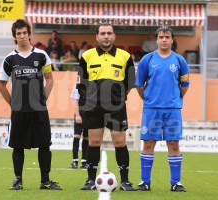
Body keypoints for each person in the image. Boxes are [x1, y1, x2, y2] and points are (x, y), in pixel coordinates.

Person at [0, 19, 62, 191]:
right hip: (19, 110)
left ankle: (45, 181)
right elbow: (1, 85)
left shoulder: (42, 55)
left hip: (39, 109)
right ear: (14, 37)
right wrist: (12, 103)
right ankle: (18, 180)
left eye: (24, 32)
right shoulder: (9, 59)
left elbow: (49, 79)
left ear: (29, 34)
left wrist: (44, 98)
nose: (22, 36)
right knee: (18, 146)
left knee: (44, 144)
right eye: (18, 33)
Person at [77, 22, 136, 191]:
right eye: (102, 33)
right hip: (93, 107)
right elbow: (81, 82)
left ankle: (125, 181)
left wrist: (118, 97)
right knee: (94, 142)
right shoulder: (87, 56)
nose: (106, 36)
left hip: (116, 107)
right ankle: (90, 180)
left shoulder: (125, 56)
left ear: (114, 36)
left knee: (120, 141)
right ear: (96, 36)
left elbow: (130, 82)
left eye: (109, 33)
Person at [135, 26, 189, 192]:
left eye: (167, 37)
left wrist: (175, 98)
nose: (164, 39)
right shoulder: (147, 59)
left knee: (173, 144)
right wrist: (149, 99)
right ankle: (145, 182)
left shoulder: (180, 60)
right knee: (149, 143)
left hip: (172, 110)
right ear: (156, 40)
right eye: (161, 37)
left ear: (172, 40)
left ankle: (175, 182)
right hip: (151, 109)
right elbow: (139, 84)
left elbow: (185, 84)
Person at [69, 85, 89, 169]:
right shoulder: (77, 86)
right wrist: (77, 115)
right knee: (77, 136)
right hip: (80, 113)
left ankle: (84, 161)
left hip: (89, 115)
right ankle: (75, 161)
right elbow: (76, 101)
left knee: (86, 138)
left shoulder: (94, 84)